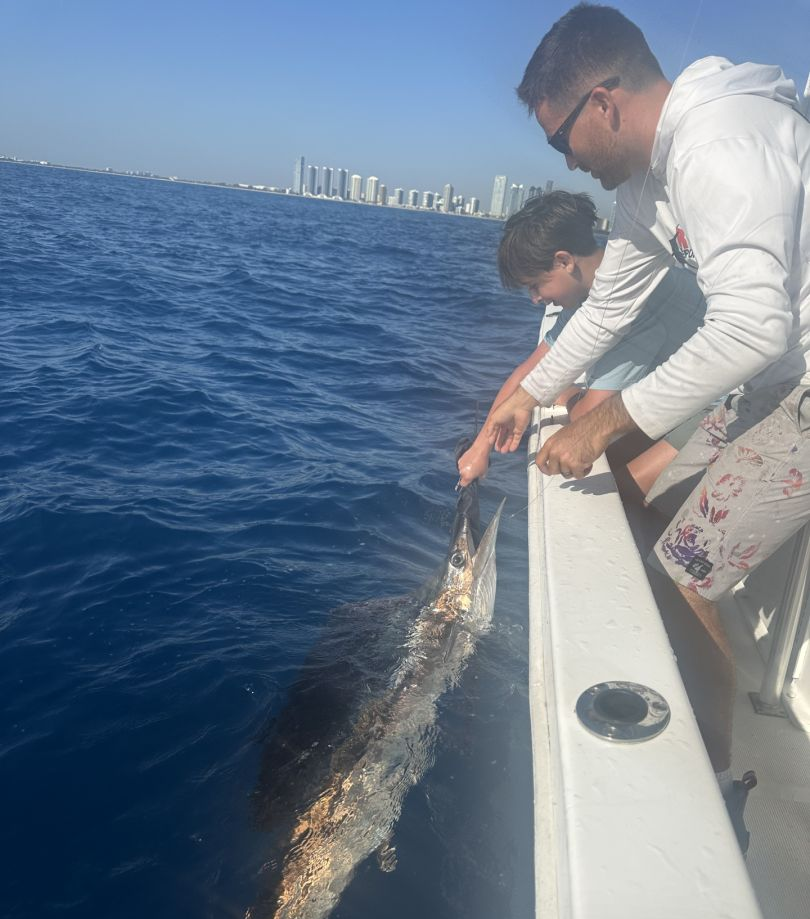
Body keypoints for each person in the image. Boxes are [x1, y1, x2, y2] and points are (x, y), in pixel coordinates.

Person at [486, 2, 810, 835]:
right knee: (631, 488)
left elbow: (752, 325)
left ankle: (711, 786)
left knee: (681, 563)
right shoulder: (648, 182)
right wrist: (531, 392)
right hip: (771, 381)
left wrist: (596, 424)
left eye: (559, 138)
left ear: (603, 102)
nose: (559, 157)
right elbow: (606, 312)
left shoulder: (721, 142)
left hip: (801, 387)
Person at [457, 189, 708, 503]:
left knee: (624, 492)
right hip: (682, 397)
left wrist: (567, 394)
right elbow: (528, 370)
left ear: (563, 261)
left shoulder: (629, 303)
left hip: (723, 402)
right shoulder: (595, 293)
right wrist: (481, 447)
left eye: (535, 285)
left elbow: (589, 415)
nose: (535, 299)